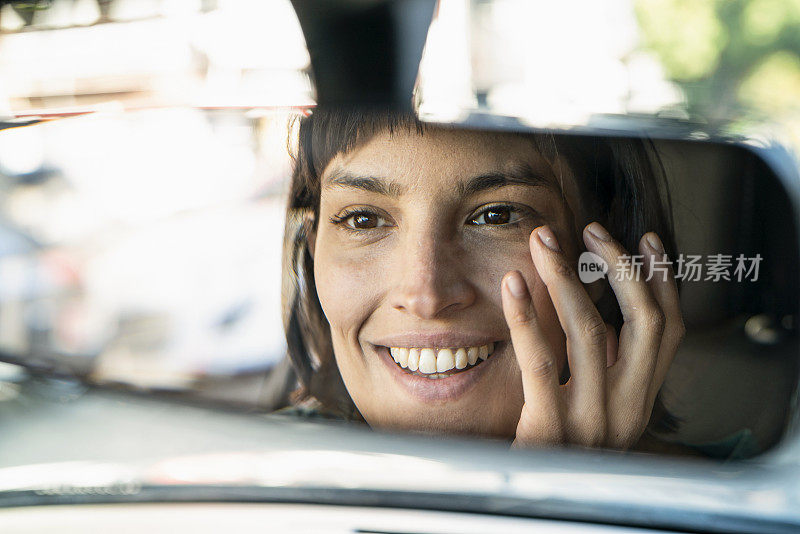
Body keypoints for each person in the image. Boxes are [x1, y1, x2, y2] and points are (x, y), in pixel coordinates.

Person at [281, 107, 686, 451]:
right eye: (363, 220)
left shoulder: (740, 491)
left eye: (497, 216)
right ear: (315, 250)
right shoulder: (247, 478)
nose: (426, 295)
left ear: (599, 258)